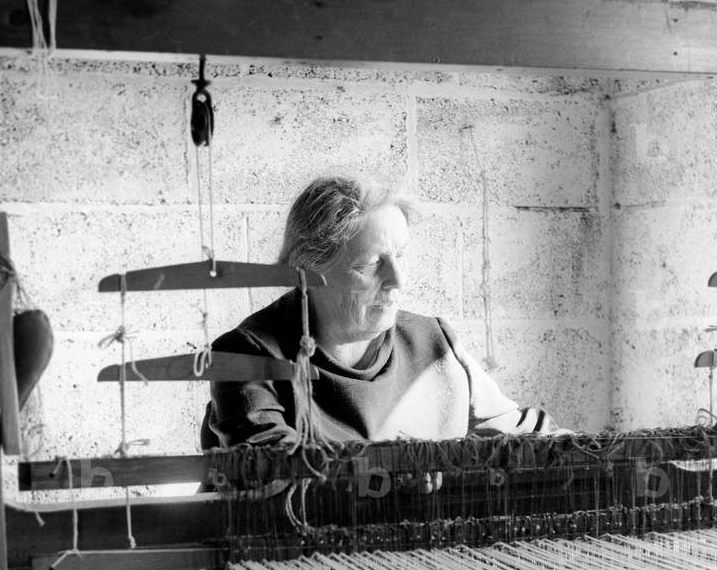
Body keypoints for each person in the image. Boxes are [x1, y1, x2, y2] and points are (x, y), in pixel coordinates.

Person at [201, 175, 558, 449]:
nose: (397, 281)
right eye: (371, 263)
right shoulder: (247, 355)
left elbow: (521, 432)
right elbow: (275, 474)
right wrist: (401, 474)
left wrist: (601, 455)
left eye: (399, 256)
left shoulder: (434, 344)